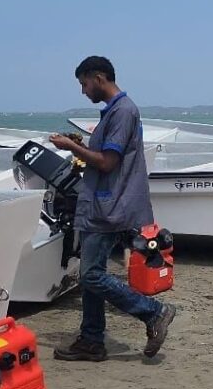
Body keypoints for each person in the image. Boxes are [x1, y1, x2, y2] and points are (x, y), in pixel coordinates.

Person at [47, 55, 176, 362]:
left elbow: (107, 162)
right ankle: (92, 340)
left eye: (84, 84)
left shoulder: (123, 112)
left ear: (99, 78)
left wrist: (70, 147)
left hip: (110, 207)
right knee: (93, 273)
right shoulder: (115, 112)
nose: (83, 91)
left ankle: (154, 312)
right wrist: (81, 148)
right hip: (104, 204)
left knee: (91, 275)